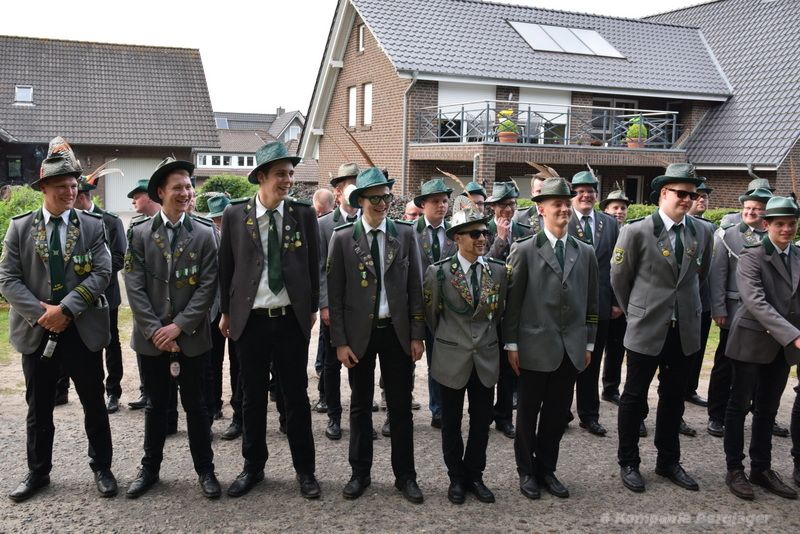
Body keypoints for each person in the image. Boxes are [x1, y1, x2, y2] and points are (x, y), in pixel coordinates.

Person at [0, 137, 116, 502]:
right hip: (37, 331)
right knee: (39, 407)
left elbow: (102, 272)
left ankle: (102, 468)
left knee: (94, 401)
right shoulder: (20, 228)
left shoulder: (92, 226)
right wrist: (43, 316)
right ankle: (38, 472)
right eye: (62, 186)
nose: (70, 191)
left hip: (81, 328)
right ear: (44, 188)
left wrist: (65, 309)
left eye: (73, 185)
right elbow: (7, 279)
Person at [218, 141, 321, 499]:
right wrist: (226, 311)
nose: (288, 180)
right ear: (261, 176)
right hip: (252, 321)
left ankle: (305, 471)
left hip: (290, 320)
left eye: (291, 173)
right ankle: (253, 467)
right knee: (251, 398)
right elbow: (226, 267)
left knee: (296, 397)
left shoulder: (303, 214)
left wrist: (311, 309)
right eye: (281, 174)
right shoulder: (235, 214)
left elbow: (313, 265)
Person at [611, 163, 713, 494]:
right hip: (646, 326)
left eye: (692, 195)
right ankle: (629, 462)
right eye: (681, 193)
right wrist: (637, 312)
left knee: (673, 398)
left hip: (683, 329)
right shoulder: (637, 231)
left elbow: (700, 276)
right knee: (633, 397)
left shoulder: (702, 232)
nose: (687, 200)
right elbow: (620, 278)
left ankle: (668, 461)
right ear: (664, 193)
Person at [327, 167, 426, 503]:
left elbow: (416, 287)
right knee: (359, 405)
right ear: (360, 201)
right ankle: (360, 473)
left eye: (386, 197)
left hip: (397, 333)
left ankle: (406, 476)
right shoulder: (343, 238)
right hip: (359, 335)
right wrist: (340, 342)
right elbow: (335, 294)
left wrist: (417, 334)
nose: (383, 203)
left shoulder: (405, 234)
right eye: (375, 198)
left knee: (400, 406)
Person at [124, 157, 220, 499]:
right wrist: (156, 331)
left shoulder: (205, 233)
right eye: (177, 187)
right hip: (152, 340)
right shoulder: (139, 233)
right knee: (156, 406)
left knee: (197, 406)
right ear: (161, 192)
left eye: (188, 187)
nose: (186, 193)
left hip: (191, 337)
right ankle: (149, 470)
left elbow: (208, 286)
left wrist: (178, 327)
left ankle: (206, 471)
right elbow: (134, 286)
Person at [504, 177, 599, 500]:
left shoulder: (585, 252)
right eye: (556, 204)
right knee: (527, 413)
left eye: (566, 203)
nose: (563, 209)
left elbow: (592, 303)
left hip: (571, 349)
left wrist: (588, 343)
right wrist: (512, 344)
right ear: (541, 209)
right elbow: (512, 304)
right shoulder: (525, 250)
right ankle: (526, 471)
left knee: (556, 415)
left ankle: (547, 469)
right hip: (533, 347)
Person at [424, 208, 509, 504]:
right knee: (451, 421)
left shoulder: (498, 271)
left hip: (485, 358)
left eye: (485, 233)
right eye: (475, 234)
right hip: (451, 358)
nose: (482, 238)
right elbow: (432, 317)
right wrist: (452, 341)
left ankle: (475, 475)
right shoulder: (439, 273)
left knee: (481, 421)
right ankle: (456, 478)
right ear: (457, 238)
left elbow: (498, 313)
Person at [723, 196, 800, 500]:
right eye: (780, 223)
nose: (787, 229)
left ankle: (761, 468)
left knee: (768, 409)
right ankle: (734, 469)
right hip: (751, 341)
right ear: (766, 225)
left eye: (792, 224)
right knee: (739, 406)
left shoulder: (798, 255)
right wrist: (793, 335)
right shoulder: (751, 256)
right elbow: (755, 301)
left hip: (782, 347)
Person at [707, 187, 772, 438]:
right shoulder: (728, 235)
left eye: (756, 209)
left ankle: (760, 412)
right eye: (747, 208)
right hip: (734, 312)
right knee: (725, 365)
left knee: (761, 365)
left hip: (764, 315)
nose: (750, 212)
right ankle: (717, 415)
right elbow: (717, 274)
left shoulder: (773, 236)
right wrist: (719, 308)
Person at [567, 170, 620, 437]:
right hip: (569, 305)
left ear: (596, 195)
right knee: (566, 361)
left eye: (590, 191)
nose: (585, 195)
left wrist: (616, 301)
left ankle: (589, 415)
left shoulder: (609, 223)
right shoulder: (563, 219)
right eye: (580, 192)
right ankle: (561, 412)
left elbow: (617, 266)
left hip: (600, 305)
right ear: (572, 196)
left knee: (593, 360)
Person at [70, 173, 126, 414]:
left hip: (106, 295)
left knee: (110, 343)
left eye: (73, 197)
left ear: (81, 197)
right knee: (79, 342)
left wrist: (95, 277)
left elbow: (119, 258)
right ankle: (75, 389)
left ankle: (113, 391)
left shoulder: (110, 221)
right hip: (77, 295)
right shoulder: (71, 222)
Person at [485, 181, 533, 440]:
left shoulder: (526, 230)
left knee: (509, 367)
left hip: (516, 308)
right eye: (503, 205)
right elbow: (484, 267)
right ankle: (483, 414)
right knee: (486, 365)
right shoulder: (482, 230)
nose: (508, 209)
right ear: (493, 207)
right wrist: (501, 240)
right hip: (489, 308)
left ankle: (504, 417)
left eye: (512, 204)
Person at [318, 162, 361, 441]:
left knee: (360, 364)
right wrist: (324, 305)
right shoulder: (323, 225)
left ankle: (360, 417)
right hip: (333, 308)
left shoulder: (368, 222)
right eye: (350, 185)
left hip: (360, 309)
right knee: (332, 364)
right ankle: (334, 416)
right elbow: (319, 267)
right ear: (338, 192)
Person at [413, 178, 458, 430]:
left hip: (445, 309)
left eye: (444, 201)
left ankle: (439, 409)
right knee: (406, 359)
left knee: (439, 359)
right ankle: (396, 408)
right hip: (416, 306)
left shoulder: (455, 232)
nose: (441, 205)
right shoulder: (409, 232)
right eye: (435, 201)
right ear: (423, 204)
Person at [126, 179, 162, 411]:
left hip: (171, 302)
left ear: (149, 196)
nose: (133, 201)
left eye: (137, 196)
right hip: (145, 302)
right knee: (144, 343)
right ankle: (146, 390)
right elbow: (130, 272)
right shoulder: (136, 227)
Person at [683, 181, 714, 418]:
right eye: (697, 195)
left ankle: (689, 388)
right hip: (678, 303)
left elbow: (707, 270)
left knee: (697, 350)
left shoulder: (709, 229)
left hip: (701, 299)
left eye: (704, 196)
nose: (701, 199)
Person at [599, 189, 631, 408]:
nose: (619, 211)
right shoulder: (600, 232)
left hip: (623, 302)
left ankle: (611, 389)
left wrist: (619, 302)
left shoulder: (632, 231)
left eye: (622, 208)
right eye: (615, 208)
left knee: (616, 348)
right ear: (606, 210)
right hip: (602, 298)